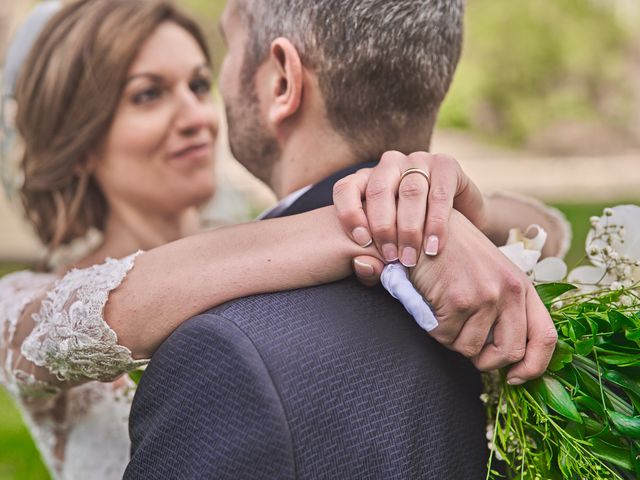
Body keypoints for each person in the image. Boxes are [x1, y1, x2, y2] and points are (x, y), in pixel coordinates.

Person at [0, 1, 569, 479]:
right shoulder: (28, 304)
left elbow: (551, 229)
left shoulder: (258, 243)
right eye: (149, 94)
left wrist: (451, 211)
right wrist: (370, 218)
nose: (196, 114)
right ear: (79, 139)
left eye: (200, 83)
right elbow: (91, 317)